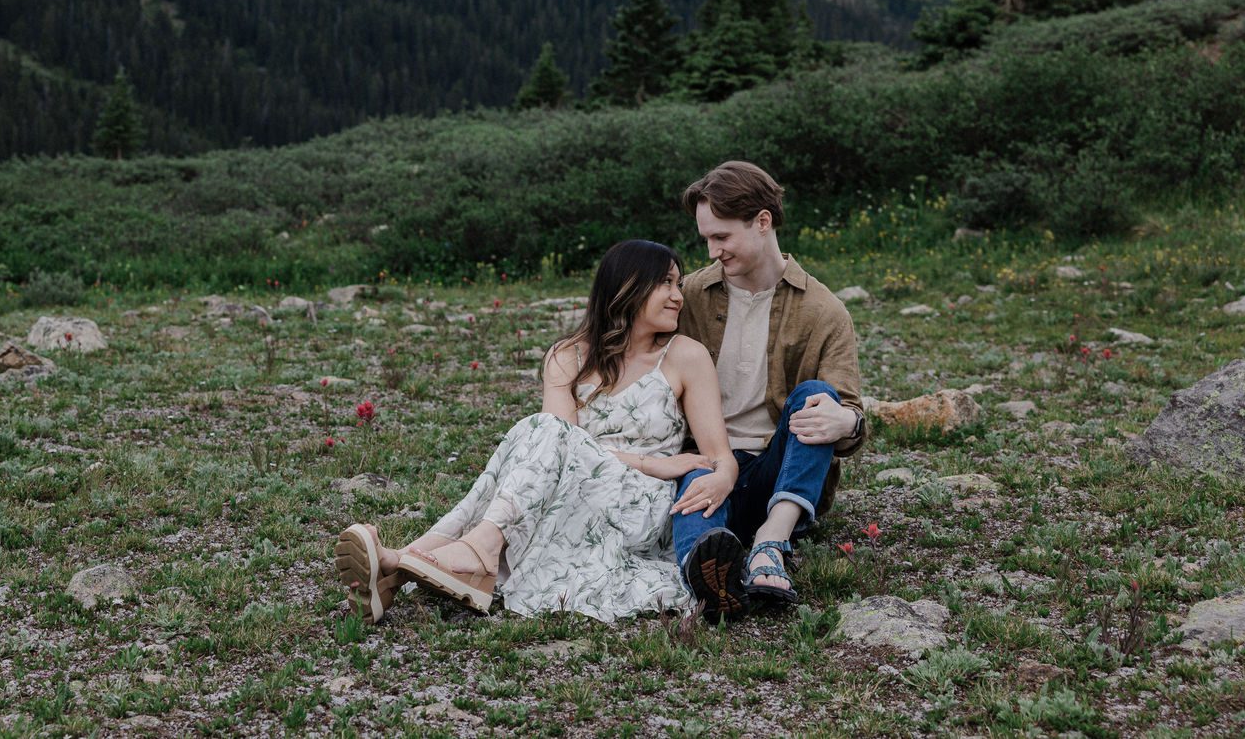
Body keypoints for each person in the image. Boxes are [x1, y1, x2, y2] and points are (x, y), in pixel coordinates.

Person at [334, 239, 739, 624]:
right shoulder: (568, 356)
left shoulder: (685, 355)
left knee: (542, 435)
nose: (678, 296)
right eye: (665, 283)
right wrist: (653, 461)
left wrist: (715, 475)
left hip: (637, 504)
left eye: (679, 284)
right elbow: (560, 447)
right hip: (570, 488)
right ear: (627, 287)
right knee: (544, 433)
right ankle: (398, 567)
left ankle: (441, 556)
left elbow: (720, 457)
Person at [668, 161, 867, 619]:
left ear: (762, 222)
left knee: (818, 395)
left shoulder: (824, 310)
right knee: (700, 475)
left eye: (722, 237)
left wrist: (846, 420)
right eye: (706, 240)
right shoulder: (691, 296)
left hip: (775, 476)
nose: (713, 250)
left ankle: (768, 548)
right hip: (707, 464)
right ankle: (707, 574)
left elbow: (852, 416)